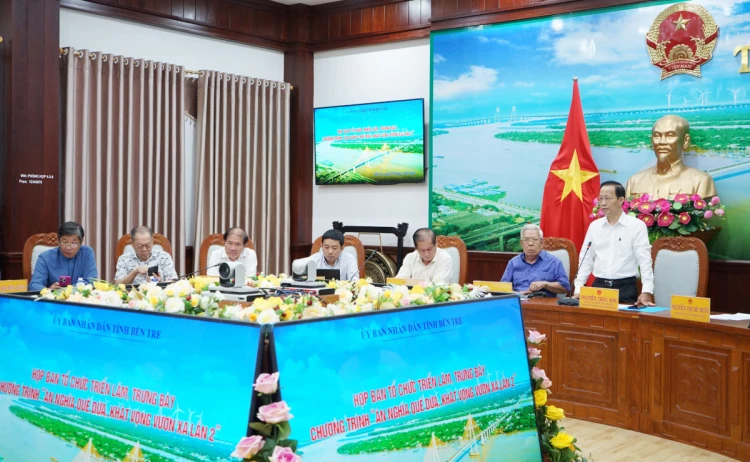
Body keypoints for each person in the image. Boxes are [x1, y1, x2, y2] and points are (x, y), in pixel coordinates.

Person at [574, 181, 655, 306]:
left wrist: (646, 291)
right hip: (599, 288)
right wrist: (579, 287)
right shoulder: (595, 226)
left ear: (621, 200)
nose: (603, 203)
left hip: (625, 288)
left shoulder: (636, 226)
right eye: (600, 199)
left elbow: (644, 260)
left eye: (608, 198)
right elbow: (586, 259)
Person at [626, 115, 717, 199]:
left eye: (670, 135)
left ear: (685, 141)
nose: (662, 142)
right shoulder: (635, 181)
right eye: (657, 136)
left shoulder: (700, 181)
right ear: (652, 141)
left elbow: (709, 215)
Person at [501, 224, 570, 296]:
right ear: (521, 243)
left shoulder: (554, 262)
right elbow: (502, 289)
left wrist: (545, 284)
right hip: (518, 303)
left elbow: (565, 287)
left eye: (535, 239)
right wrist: (517, 294)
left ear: (541, 242)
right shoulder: (513, 262)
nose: (530, 243)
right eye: (526, 240)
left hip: (543, 304)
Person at [29, 221, 98, 291]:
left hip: (80, 300)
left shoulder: (87, 253)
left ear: (81, 242)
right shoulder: (45, 258)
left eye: (74, 243)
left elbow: (91, 281)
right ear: (58, 241)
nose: (68, 248)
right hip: (55, 300)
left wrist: (65, 291)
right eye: (65, 242)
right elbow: (34, 285)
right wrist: (48, 290)